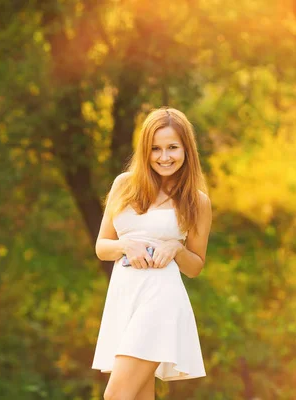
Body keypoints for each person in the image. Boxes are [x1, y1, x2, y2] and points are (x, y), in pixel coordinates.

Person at [91, 107, 212, 400]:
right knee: (139, 396)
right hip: (125, 296)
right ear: (145, 150)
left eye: (173, 147)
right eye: (155, 148)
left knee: (116, 396)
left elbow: (195, 266)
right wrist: (125, 245)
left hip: (161, 299)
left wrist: (176, 248)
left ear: (187, 149)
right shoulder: (124, 185)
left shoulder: (197, 201)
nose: (164, 156)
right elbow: (101, 247)